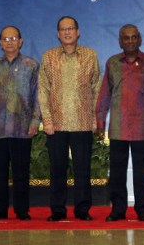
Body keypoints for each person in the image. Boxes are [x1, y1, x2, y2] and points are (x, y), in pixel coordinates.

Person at [95, 24, 144, 222]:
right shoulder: (112, 63)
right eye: (126, 38)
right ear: (120, 41)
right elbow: (104, 94)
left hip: (142, 127)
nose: (131, 41)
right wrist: (100, 121)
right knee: (117, 172)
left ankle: (143, 210)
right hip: (118, 127)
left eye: (134, 37)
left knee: (142, 172)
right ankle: (118, 209)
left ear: (139, 39)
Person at [38, 16, 101, 221]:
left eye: (71, 28)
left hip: (83, 122)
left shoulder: (90, 55)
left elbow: (97, 88)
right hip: (56, 124)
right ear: (58, 34)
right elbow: (43, 90)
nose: (67, 32)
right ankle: (58, 210)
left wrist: (95, 118)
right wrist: (47, 120)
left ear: (78, 32)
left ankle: (82, 210)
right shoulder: (48, 56)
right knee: (57, 169)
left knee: (82, 169)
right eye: (63, 29)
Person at [0, 25, 40, 221]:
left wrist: (35, 119)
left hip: (22, 127)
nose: (10, 42)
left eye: (13, 38)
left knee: (21, 171)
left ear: (20, 41)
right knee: (0, 171)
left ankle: (22, 210)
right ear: (0, 43)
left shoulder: (31, 65)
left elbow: (37, 96)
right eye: (5, 39)